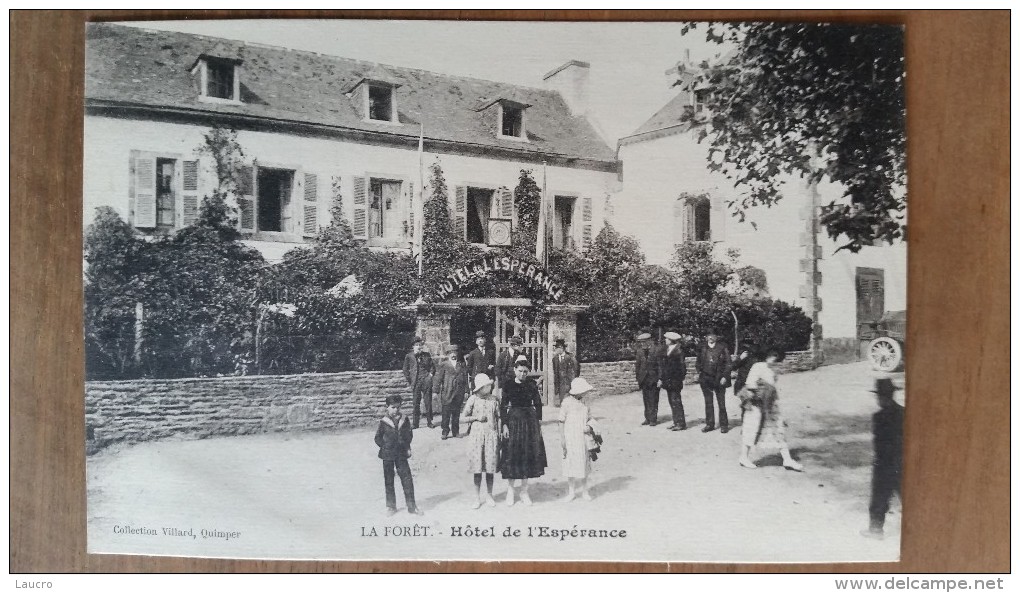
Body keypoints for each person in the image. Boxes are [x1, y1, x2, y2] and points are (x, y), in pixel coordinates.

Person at [736, 349, 804, 471]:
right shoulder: (758, 366)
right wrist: (759, 394)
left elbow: (772, 389)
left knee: (778, 430)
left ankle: (787, 459)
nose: (774, 360)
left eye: (777, 359)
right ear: (767, 355)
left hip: (770, 405)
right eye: (772, 357)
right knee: (751, 429)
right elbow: (750, 384)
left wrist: (772, 400)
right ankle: (743, 457)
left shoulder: (772, 370)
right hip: (756, 404)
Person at [499, 356, 547, 506]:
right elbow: (503, 406)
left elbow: (538, 404)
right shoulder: (508, 385)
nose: (522, 374)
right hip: (513, 421)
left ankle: (524, 491)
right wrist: (505, 425)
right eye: (520, 371)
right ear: (514, 370)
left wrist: (538, 423)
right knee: (512, 455)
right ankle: (510, 491)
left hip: (529, 422)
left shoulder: (532, 384)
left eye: (525, 372)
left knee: (527, 455)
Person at [861, 378, 904, 539]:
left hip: (885, 464)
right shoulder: (904, 412)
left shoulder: (879, 417)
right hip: (902, 462)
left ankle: (876, 530)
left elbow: (879, 444)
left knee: (879, 497)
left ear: (881, 397)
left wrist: (878, 463)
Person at [373, 395, 423, 516]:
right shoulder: (384, 422)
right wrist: (385, 446)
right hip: (388, 455)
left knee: (407, 479)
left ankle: (412, 506)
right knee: (389, 480)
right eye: (393, 407)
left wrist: (407, 447)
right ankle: (391, 506)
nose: (395, 410)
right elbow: (377, 438)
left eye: (398, 407)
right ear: (387, 407)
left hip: (401, 453)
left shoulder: (404, 420)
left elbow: (409, 435)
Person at [460, 373, 501, 509]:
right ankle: (477, 497)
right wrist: (476, 417)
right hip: (477, 437)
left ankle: (489, 495)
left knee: (490, 468)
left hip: (491, 436)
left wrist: (499, 433)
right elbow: (463, 418)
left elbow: (499, 417)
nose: (489, 387)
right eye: (487, 386)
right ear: (480, 387)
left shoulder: (494, 400)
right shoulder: (473, 399)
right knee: (477, 469)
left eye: (489, 385)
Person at [558, 377, 600, 502]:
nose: (586, 393)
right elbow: (561, 421)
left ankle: (584, 491)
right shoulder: (566, 403)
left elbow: (590, 418)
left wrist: (589, 426)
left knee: (583, 464)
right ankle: (571, 492)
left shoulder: (586, 403)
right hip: (570, 437)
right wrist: (562, 439)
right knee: (570, 465)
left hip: (583, 438)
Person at [696, 332, 732, 433]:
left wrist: (725, 376)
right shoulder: (702, 348)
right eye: (708, 335)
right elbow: (698, 362)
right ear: (706, 337)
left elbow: (728, 363)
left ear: (716, 337)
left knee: (721, 403)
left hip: (719, 379)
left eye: (713, 335)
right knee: (708, 402)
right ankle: (709, 424)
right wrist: (700, 372)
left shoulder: (722, 348)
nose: (710, 337)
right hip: (706, 378)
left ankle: (724, 425)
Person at [432, 345, 469, 440]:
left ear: (457, 353)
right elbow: (438, 379)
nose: (453, 354)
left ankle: (456, 431)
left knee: (456, 413)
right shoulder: (444, 365)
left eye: (455, 352)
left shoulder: (461, 364)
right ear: (448, 354)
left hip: (458, 392)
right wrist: (435, 391)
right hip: (447, 392)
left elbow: (465, 378)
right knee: (446, 413)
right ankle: (445, 431)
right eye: (451, 353)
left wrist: (466, 390)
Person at [402, 337, 435, 429]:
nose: (419, 347)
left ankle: (429, 422)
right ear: (413, 347)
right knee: (416, 402)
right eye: (416, 345)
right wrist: (410, 380)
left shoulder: (426, 355)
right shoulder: (409, 356)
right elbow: (405, 369)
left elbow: (433, 367)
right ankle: (415, 423)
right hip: (416, 382)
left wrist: (430, 376)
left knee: (428, 401)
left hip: (426, 380)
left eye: (420, 345)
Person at [659, 331, 688, 431]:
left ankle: (681, 423)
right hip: (668, 381)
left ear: (671, 340)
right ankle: (676, 422)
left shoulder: (678, 351)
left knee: (676, 401)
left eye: (667, 339)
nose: (665, 340)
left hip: (675, 381)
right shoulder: (668, 349)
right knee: (672, 402)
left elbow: (682, 367)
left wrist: (679, 379)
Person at [634, 330, 661, 426]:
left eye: (644, 342)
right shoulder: (640, 351)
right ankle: (647, 418)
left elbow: (660, 366)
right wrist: (638, 378)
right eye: (641, 342)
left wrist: (660, 379)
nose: (642, 344)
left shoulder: (657, 350)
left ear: (649, 341)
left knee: (653, 399)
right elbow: (638, 365)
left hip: (653, 378)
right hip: (643, 379)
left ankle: (653, 419)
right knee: (646, 399)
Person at [551, 338, 580, 406]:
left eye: (557, 348)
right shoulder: (555, 359)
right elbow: (555, 372)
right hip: (560, 384)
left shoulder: (570, 357)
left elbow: (576, 369)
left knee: (570, 402)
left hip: (569, 382)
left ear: (561, 348)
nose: (556, 349)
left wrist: (573, 380)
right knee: (563, 402)